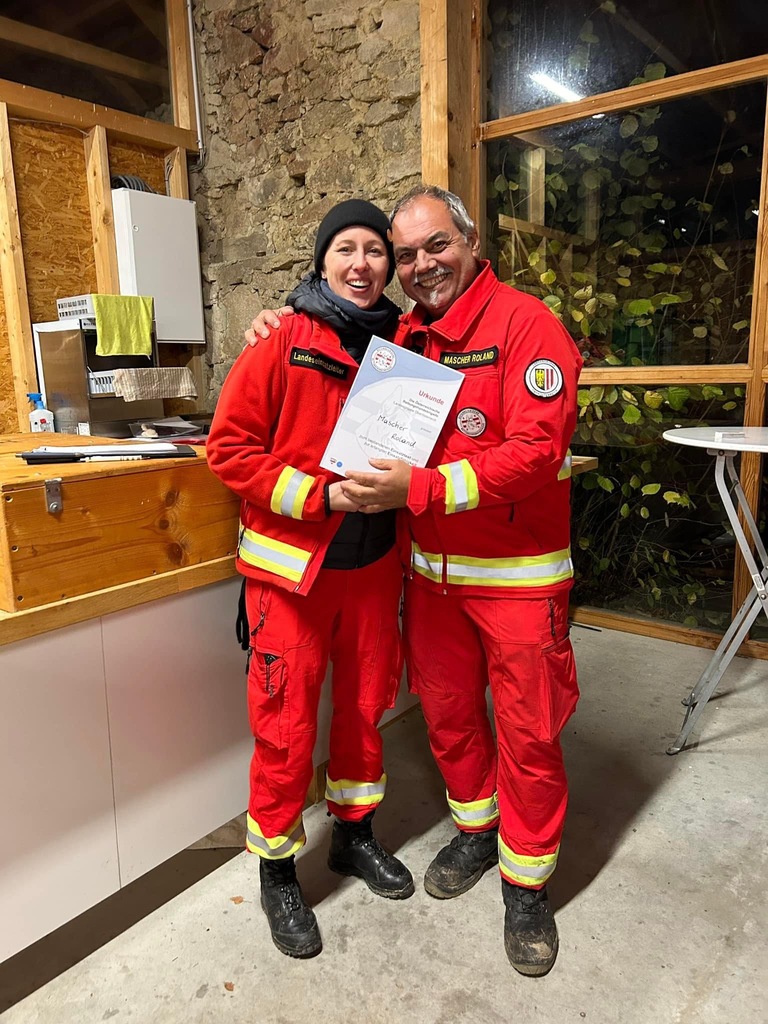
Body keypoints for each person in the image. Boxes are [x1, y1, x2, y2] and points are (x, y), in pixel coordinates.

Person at [246, 185, 582, 976]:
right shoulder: (405, 337)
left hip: (517, 581)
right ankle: (476, 831)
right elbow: (328, 338)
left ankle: (527, 886)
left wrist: (423, 490)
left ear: (471, 242)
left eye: (437, 246)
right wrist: (276, 318)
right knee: (450, 720)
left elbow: (538, 450)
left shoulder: (527, 325)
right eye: (406, 255)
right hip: (430, 582)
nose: (421, 265)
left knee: (529, 735)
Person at [207, 199, 414, 961]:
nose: (362, 263)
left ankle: (353, 837)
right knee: (286, 728)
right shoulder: (281, 340)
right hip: (292, 576)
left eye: (375, 250)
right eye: (345, 249)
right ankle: (277, 873)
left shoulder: (407, 347)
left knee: (365, 710)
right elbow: (228, 449)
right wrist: (317, 497)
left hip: (374, 569)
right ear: (322, 261)